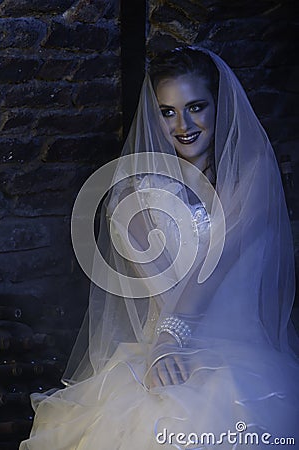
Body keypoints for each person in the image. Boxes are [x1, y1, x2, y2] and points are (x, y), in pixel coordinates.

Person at [20, 47, 299, 450]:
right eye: (167, 112)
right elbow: (163, 288)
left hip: (239, 354)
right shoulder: (132, 195)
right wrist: (165, 347)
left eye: (196, 107)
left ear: (220, 106)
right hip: (164, 354)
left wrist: (172, 335)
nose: (182, 124)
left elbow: (215, 266)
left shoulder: (251, 177)